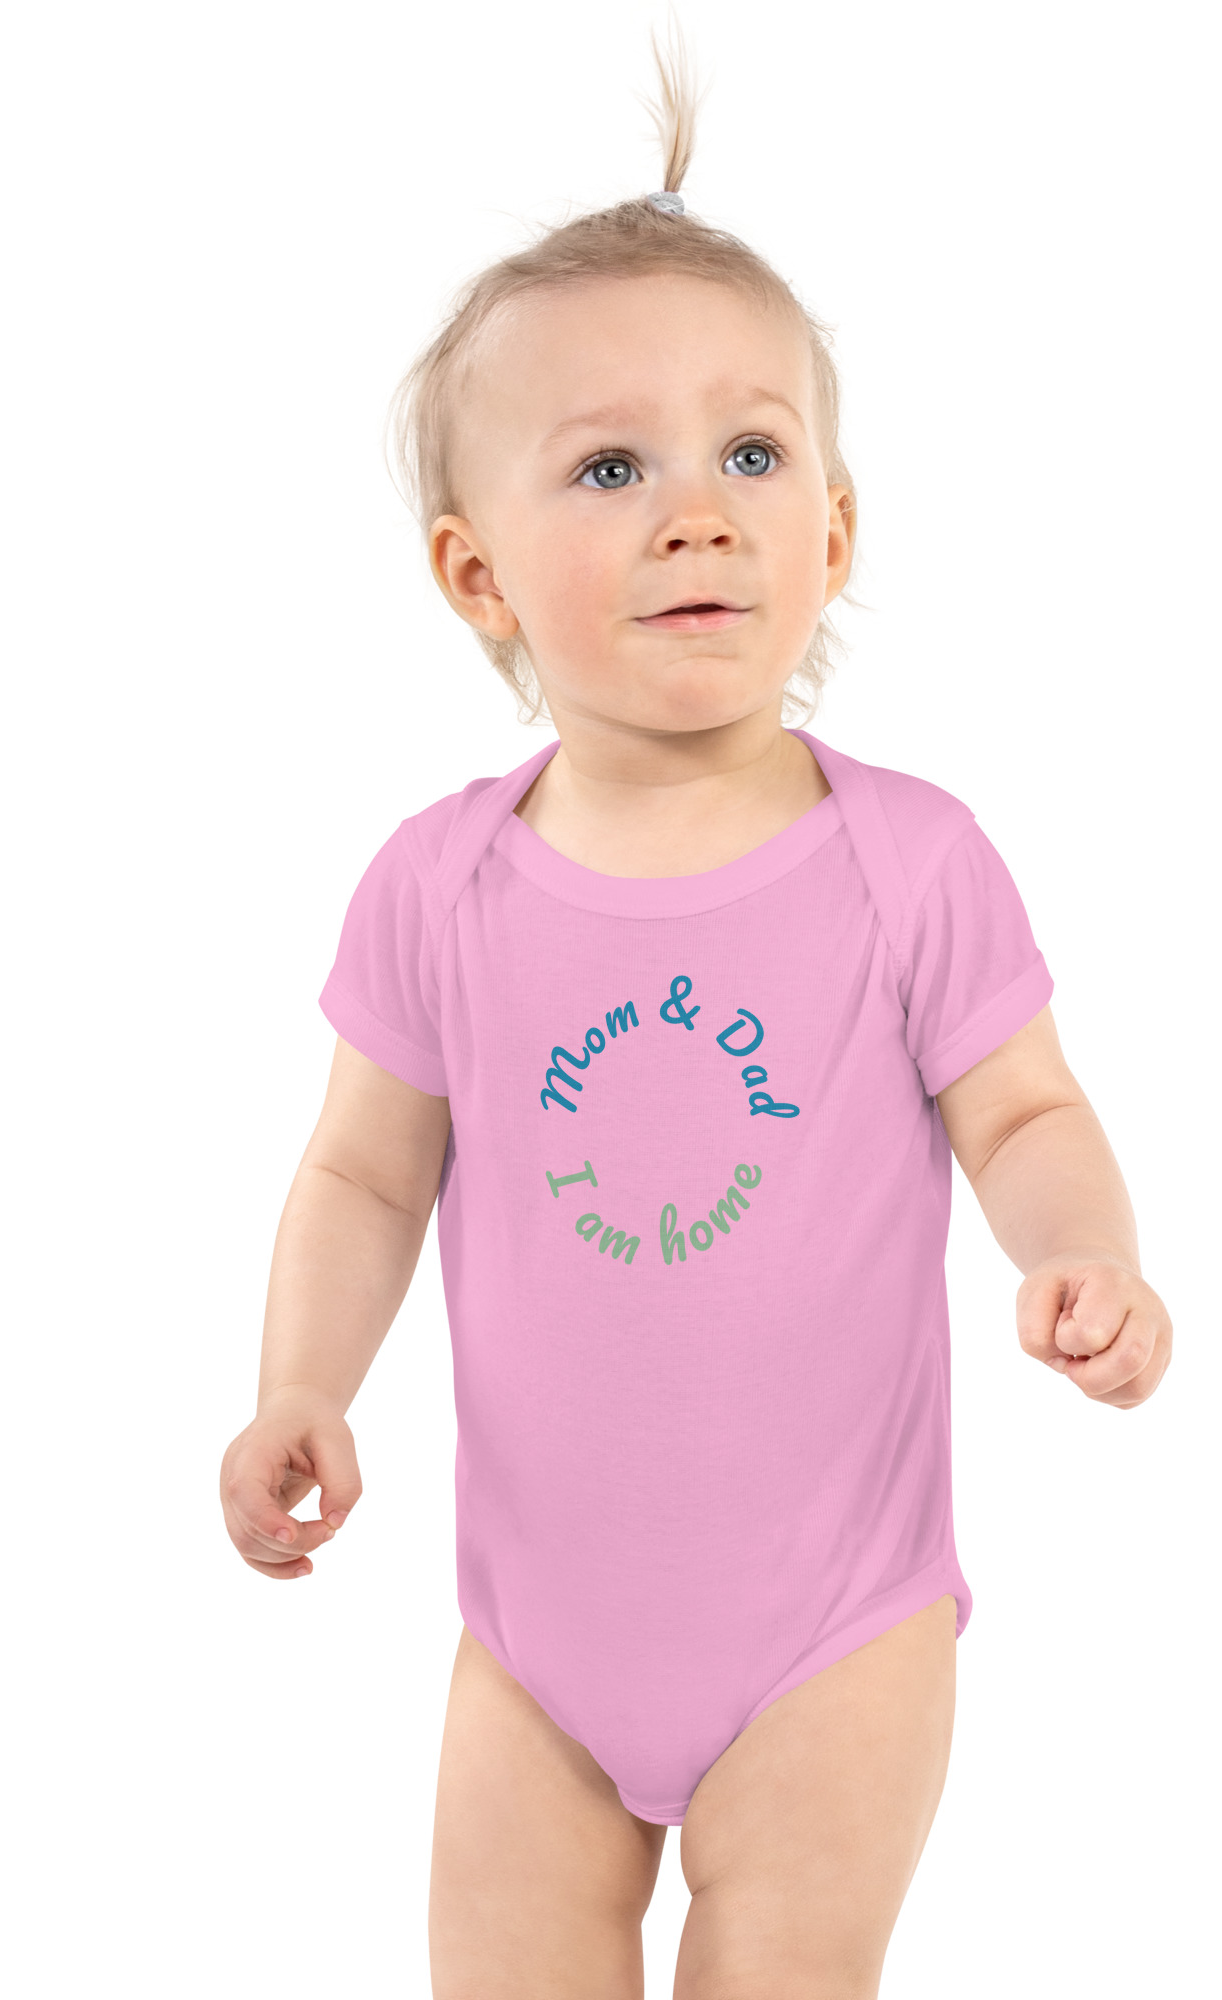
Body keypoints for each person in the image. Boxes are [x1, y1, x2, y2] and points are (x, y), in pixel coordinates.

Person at [218, 39, 1172, 1999]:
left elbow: (1022, 1113)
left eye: (751, 454)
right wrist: (302, 1381)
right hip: (534, 1647)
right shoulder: (438, 887)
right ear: (476, 575)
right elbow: (360, 1174)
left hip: (835, 1627)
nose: (697, 515)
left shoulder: (907, 862)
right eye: (609, 468)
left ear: (834, 530)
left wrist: (1082, 1252)